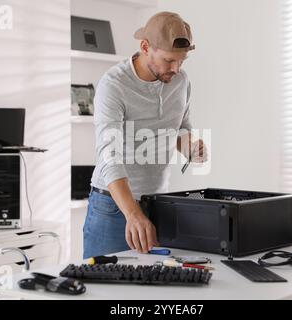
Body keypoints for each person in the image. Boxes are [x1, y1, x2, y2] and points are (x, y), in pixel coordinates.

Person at [83, 11, 208, 259]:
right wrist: (133, 214)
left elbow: (181, 127)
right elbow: (110, 156)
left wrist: (190, 148)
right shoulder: (114, 85)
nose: (176, 68)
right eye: (168, 60)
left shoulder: (181, 81)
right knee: (103, 287)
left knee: (156, 285)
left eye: (181, 61)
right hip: (114, 207)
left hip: (159, 204)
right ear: (145, 47)